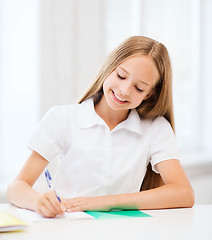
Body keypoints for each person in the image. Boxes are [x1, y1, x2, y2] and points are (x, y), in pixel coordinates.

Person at [7, 36, 194, 218]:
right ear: (109, 68)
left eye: (139, 88)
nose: (124, 90)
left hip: (125, 232)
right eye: (121, 76)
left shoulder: (156, 128)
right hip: (70, 228)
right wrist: (37, 201)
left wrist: (106, 202)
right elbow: (17, 188)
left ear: (149, 95)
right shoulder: (62, 118)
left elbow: (183, 193)